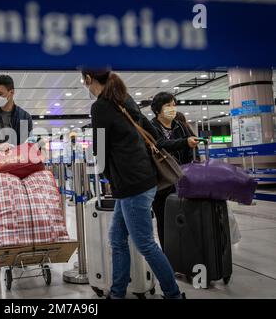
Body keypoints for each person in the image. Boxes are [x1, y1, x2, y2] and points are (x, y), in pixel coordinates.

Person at [82, 68, 184, 299]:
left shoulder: (100, 106)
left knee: (145, 244)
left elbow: (100, 149)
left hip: (132, 184)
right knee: (117, 239)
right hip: (140, 178)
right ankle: (117, 292)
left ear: (88, 79)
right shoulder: (123, 99)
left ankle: (173, 294)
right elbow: (148, 130)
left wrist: (109, 177)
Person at [150, 93, 199, 249]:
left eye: (173, 105)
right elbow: (160, 144)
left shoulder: (181, 126)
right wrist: (184, 142)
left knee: (184, 220)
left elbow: (194, 149)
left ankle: (185, 255)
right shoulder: (151, 127)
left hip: (183, 181)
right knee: (164, 221)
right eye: (167, 105)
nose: (172, 108)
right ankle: (169, 256)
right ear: (158, 109)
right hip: (162, 183)